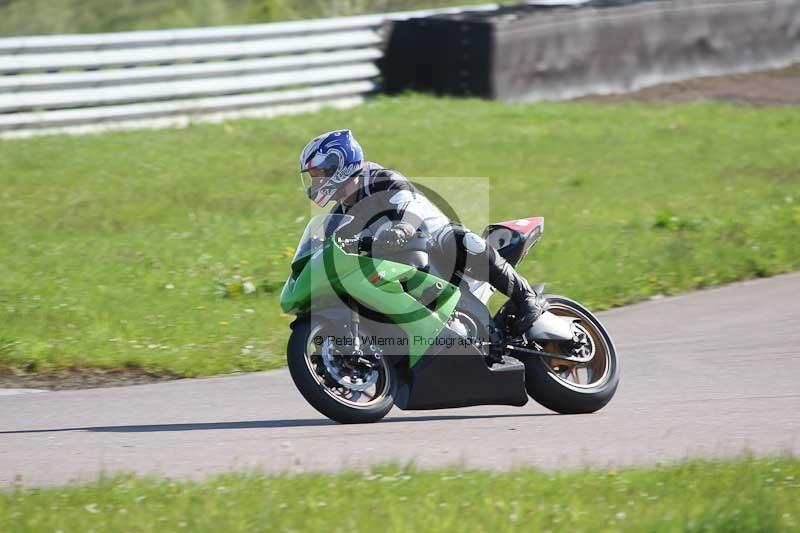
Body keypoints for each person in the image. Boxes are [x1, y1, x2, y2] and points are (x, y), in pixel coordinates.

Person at [299, 129, 547, 335]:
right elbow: (329, 247)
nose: (315, 183)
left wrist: (404, 226)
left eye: (318, 175)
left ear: (338, 165)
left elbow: (409, 205)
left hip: (432, 241)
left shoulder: (381, 179)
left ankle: (526, 299)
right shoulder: (338, 216)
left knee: (462, 242)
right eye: (312, 177)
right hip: (392, 264)